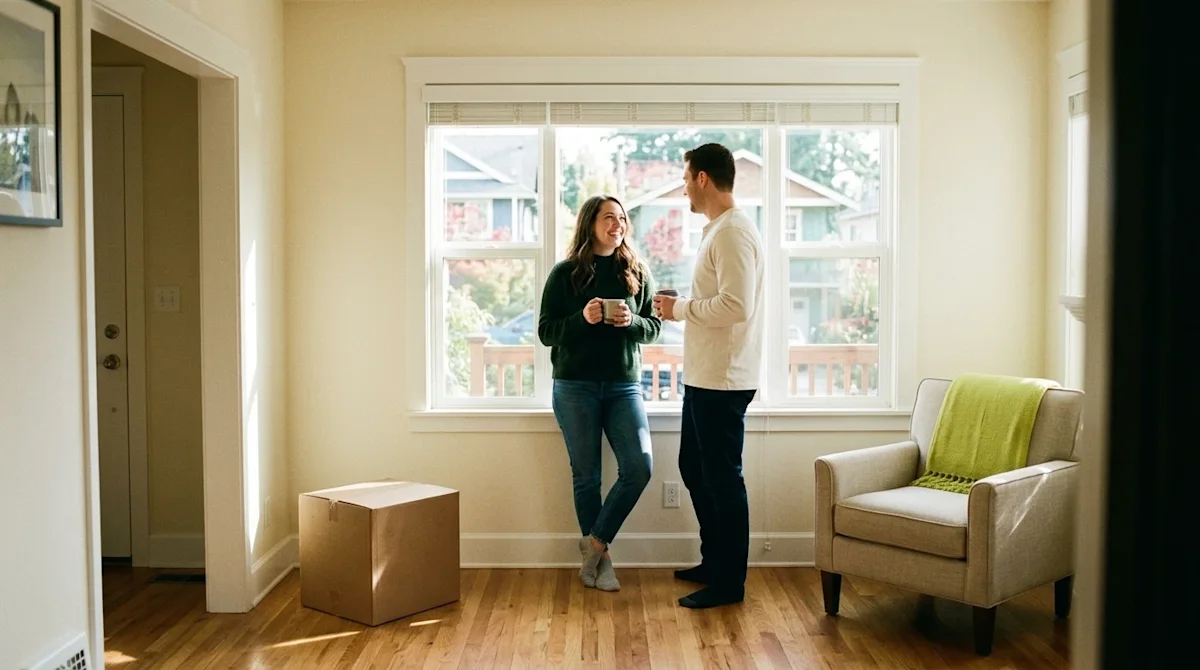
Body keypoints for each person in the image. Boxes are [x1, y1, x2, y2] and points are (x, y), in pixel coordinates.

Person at [653, 143, 765, 609]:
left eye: (685, 179)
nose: (684, 189)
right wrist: (683, 305)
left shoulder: (732, 232)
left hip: (724, 379)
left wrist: (679, 309)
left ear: (703, 178)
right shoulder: (719, 230)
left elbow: (736, 306)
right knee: (694, 469)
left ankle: (728, 583)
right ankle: (714, 562)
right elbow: (719, 298)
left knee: (722, 480)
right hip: (705, 376)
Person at [538, 194, 661, 592]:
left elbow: (654, 327)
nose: (617, 224)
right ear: (590, 223)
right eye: (609, 217)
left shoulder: (636, 271)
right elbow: (546, 332)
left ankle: (593, 544)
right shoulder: (565, 274)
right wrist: (582, 318)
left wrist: (631, 322)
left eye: (622, 218)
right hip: (574, 387)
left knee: (639, 467)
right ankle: (602, 562)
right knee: (587, 477)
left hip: (624, 387)